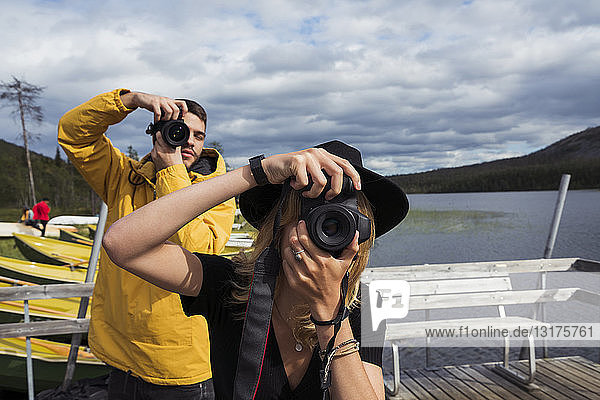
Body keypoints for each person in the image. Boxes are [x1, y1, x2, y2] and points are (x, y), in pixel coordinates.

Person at [102, 140, 409, 399]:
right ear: (277, 228)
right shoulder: (231, 286)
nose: (322, 236)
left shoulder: (363, 308)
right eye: (311, 215)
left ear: (361, 237)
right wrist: (255, 172)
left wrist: (329, 311)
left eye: (337, 224)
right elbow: (121, 244)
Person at [58, 89, 236, 399]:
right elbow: (73, 134)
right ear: (156, 133)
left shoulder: (217, 191)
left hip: (178, 367)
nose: (189, 141)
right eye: (179, 130)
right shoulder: (125, 178)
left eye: (198, 135)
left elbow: (201, 251)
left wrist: (171, 171)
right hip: (121, 358)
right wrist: (129, 101)